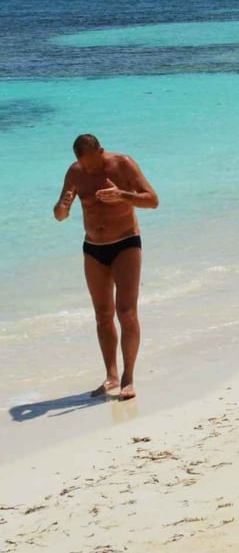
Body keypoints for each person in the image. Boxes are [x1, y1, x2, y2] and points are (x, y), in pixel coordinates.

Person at [52, 133, 158, 401]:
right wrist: (62, 208)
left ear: (101, 151)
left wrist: (122, 195)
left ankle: (128, 377)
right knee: (102, 314)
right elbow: (59, 215)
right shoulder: (75, 172)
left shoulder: (123, 164)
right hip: (93, 249)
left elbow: (152, 200)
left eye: (92, 164)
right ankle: (111, 375)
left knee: (126, 311)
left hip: (125, 244)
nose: (89, 170)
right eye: (83, 165)